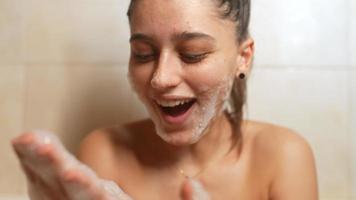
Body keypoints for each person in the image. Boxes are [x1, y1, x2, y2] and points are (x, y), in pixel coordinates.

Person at [12, 0, 319, 199]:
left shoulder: (283, 157)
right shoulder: (105, 152)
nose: (160, 78)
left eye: (192, 54)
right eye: (143, 54)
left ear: (243, 57)